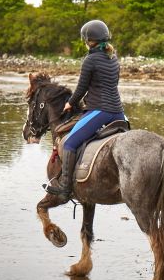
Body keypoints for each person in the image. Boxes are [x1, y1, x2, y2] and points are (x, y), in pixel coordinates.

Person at [44, 19, 125, 199]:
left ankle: (65, 187)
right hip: (119, 112)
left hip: (100, 111)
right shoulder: (114, 57)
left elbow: (81, 89)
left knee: (70, 143)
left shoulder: (90, 60)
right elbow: (113, 84)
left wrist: (70, 103)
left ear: (89, 40)